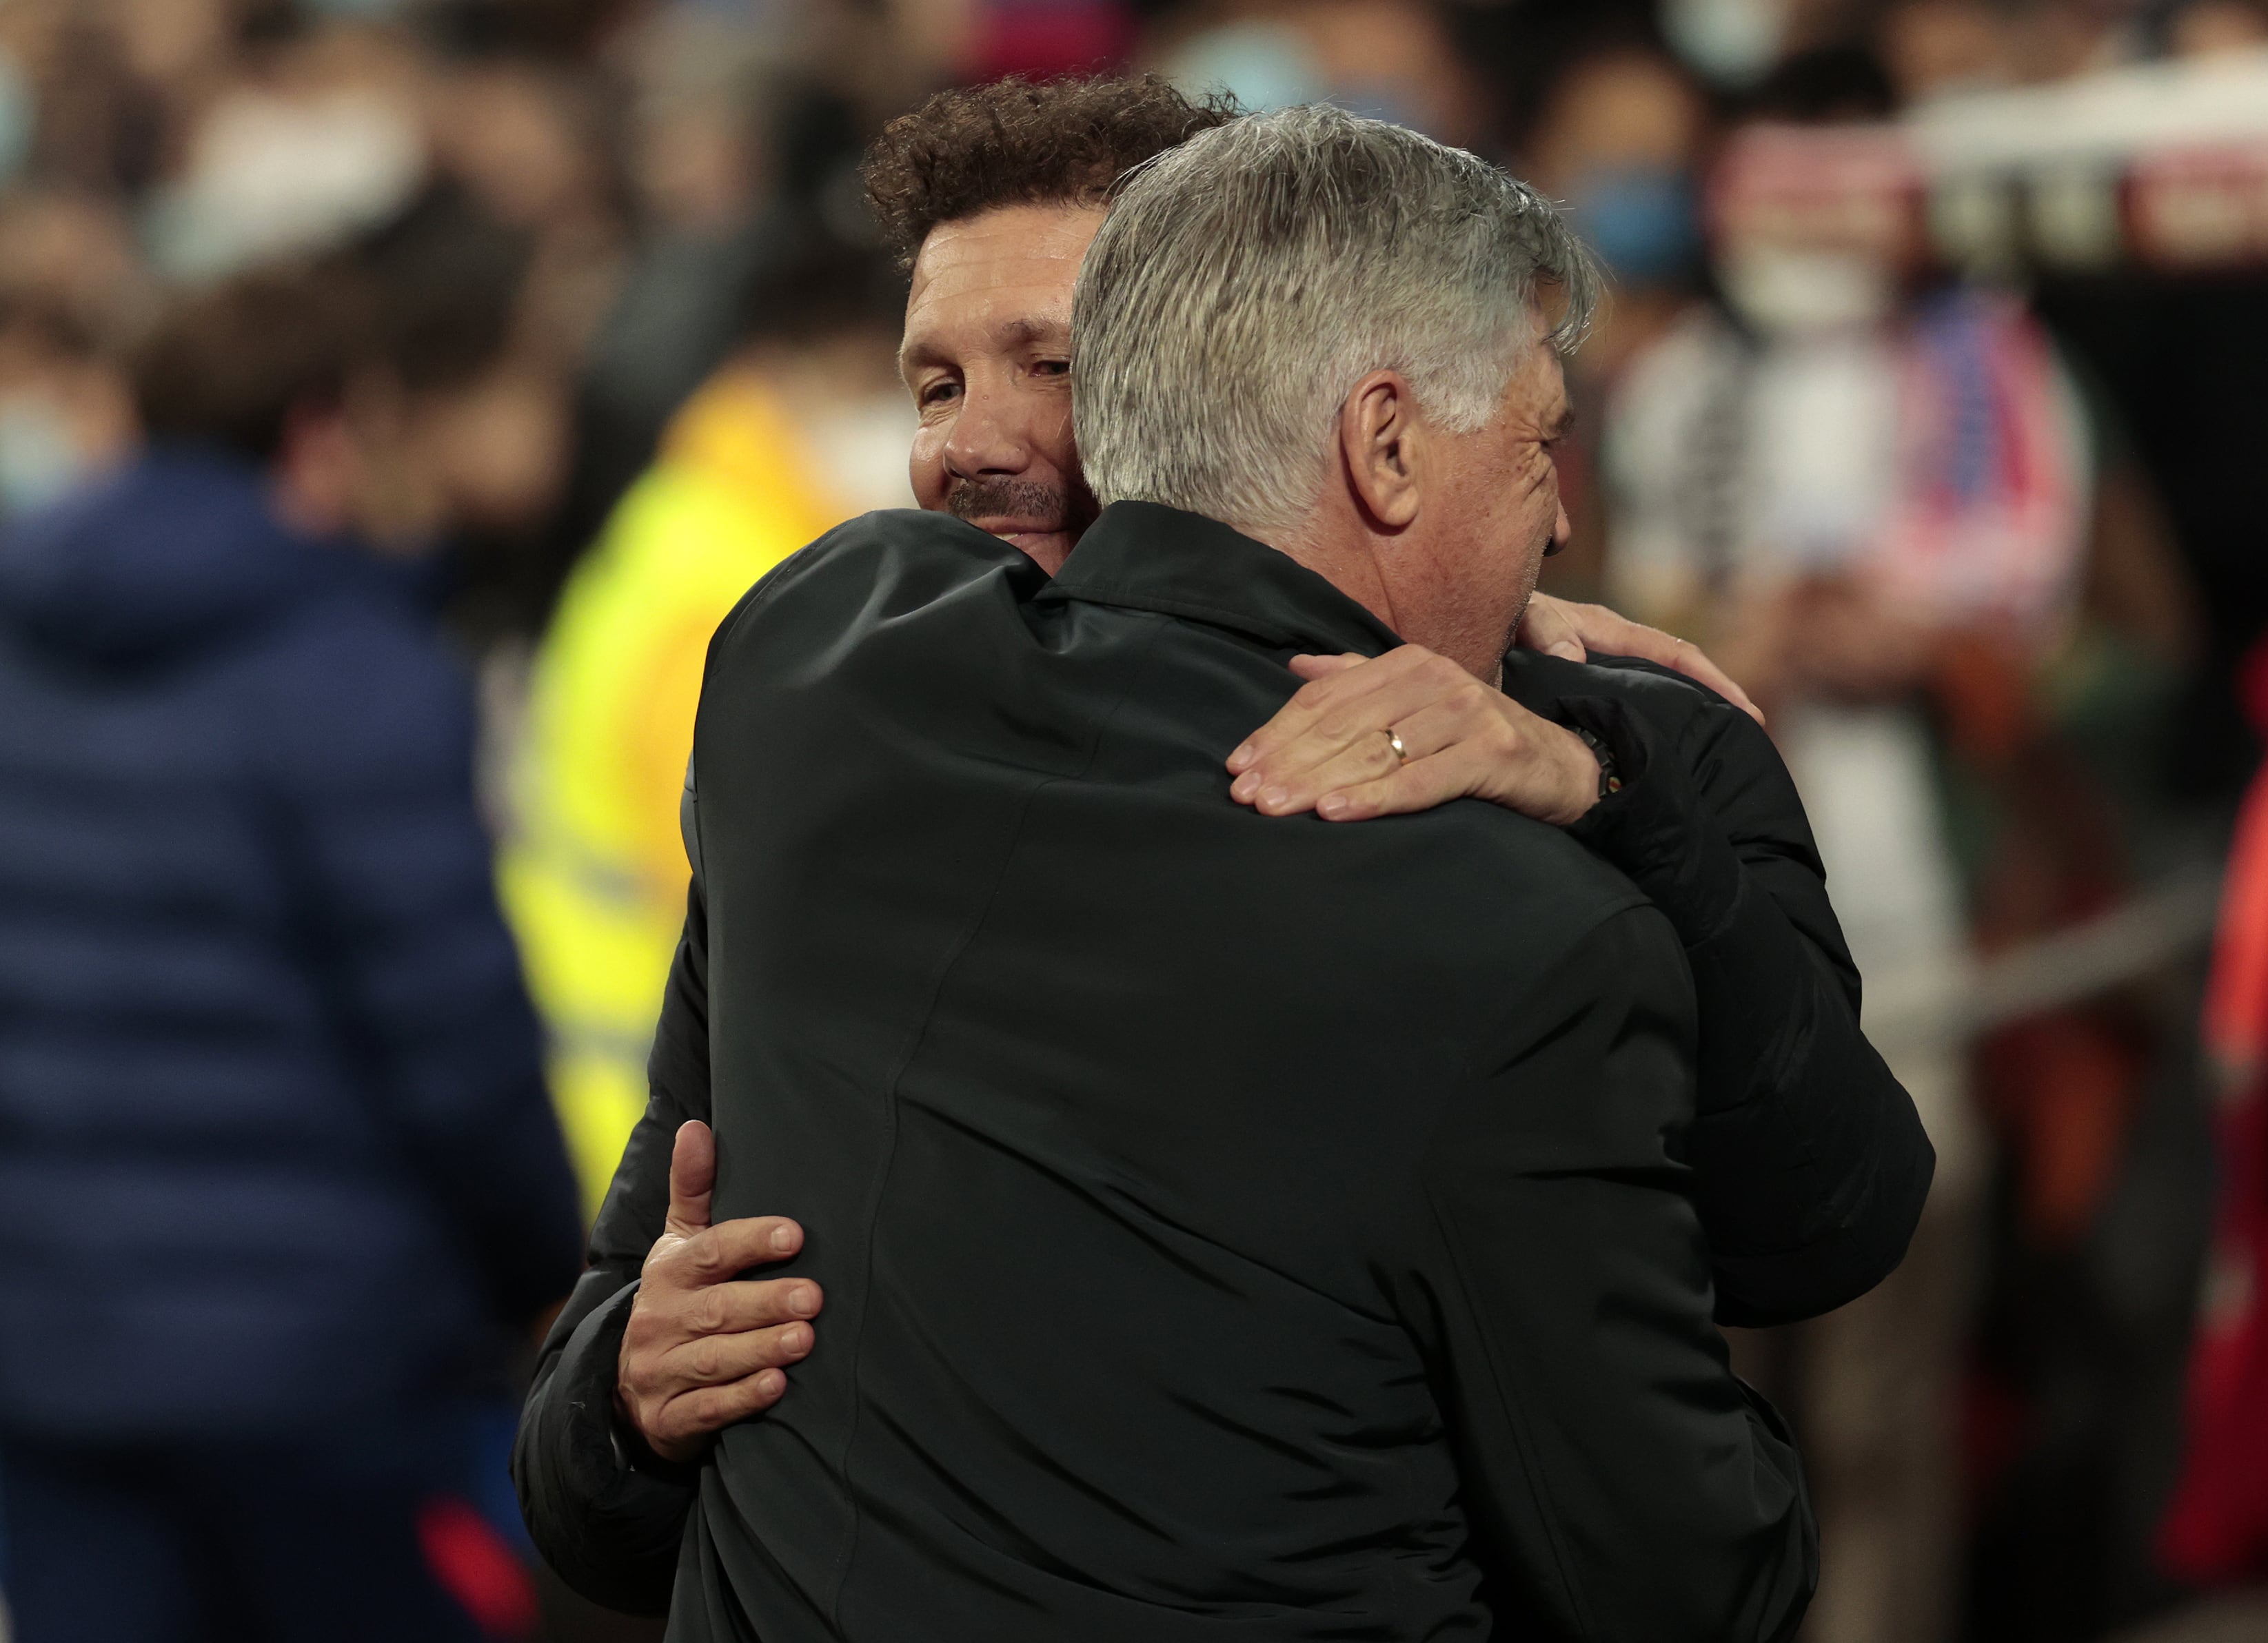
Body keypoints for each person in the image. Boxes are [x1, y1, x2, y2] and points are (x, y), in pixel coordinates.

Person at [514, 75, 1930, 1610]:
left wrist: (1609, 760)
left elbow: (1826, 1214)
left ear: (1216, 362)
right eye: (931, 385)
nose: (966, 451)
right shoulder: (831, 705)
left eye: (1052, 363)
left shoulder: (1604, 764)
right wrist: (622, 1400)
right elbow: (587, 1445)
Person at [0, 213, 583, 1641]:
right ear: (325, 432)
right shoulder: (356, 668)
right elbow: (454, 1038)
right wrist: (542, 1273)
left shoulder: (23, 631)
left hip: (47, 1344)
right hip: (319, 1362)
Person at [502, 233, 913, 1211]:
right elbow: (753, 896)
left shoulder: (718, 526)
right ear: (780, 374)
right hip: (660, 1136)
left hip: (648, 1111)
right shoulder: (735, 583)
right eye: (883, 383)